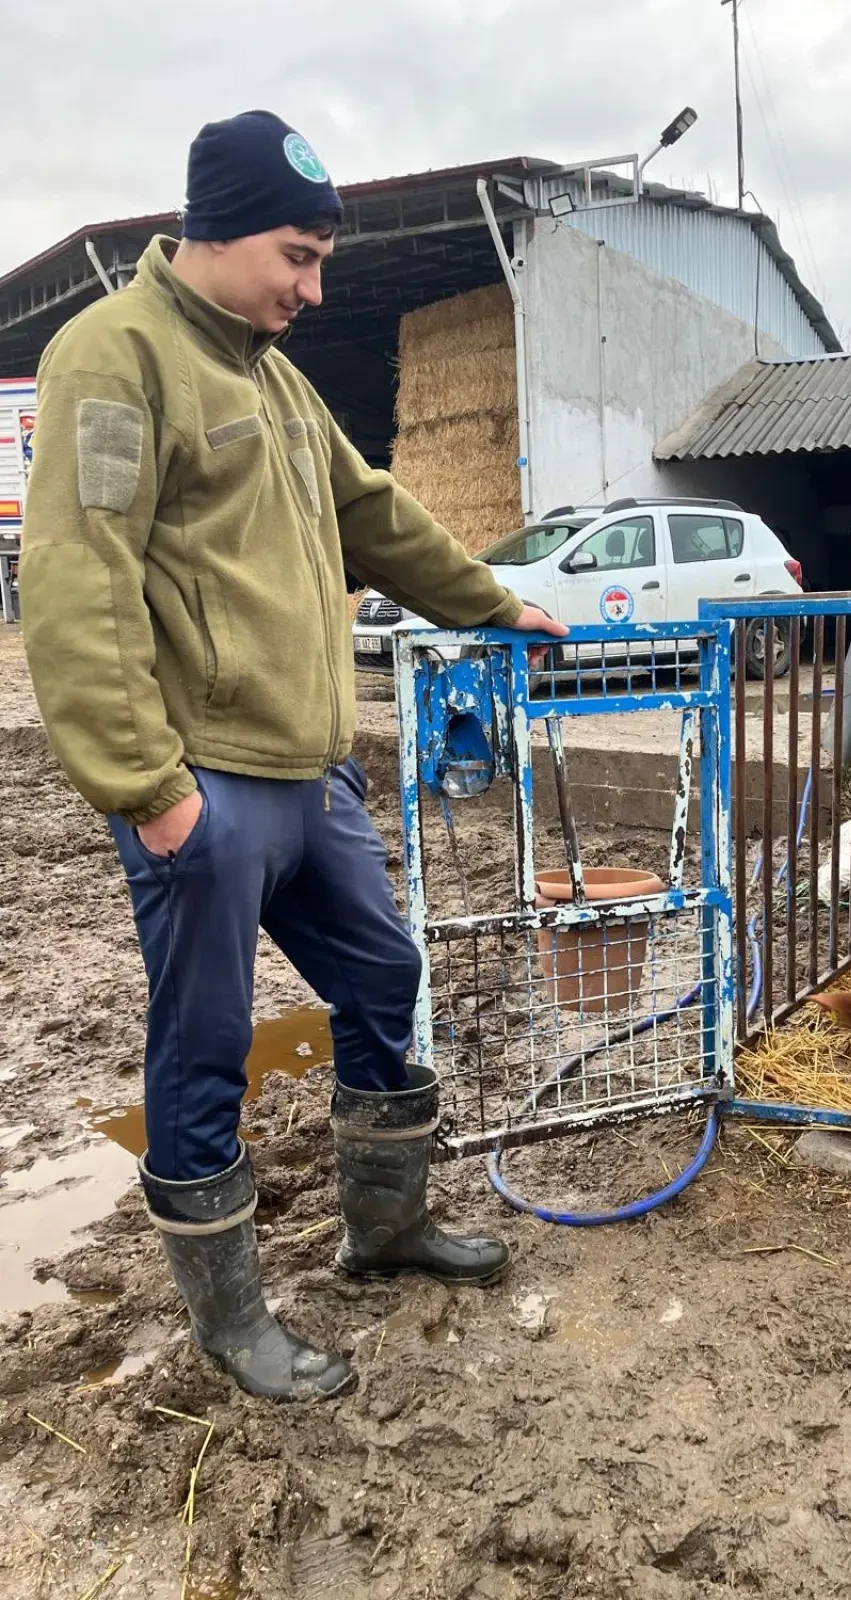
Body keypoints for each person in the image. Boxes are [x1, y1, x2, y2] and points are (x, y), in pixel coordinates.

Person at [19, 110, 568, 1402]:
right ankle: (233, 1322)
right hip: (201, 781)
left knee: (384, 975)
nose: (313, 288)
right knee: (204, 1044)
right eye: (298, 255)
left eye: (323, 259)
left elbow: (367, 508)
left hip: (308, 770)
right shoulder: (114, 357)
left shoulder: (274, 375)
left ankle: (384, 1230)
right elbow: (78, 580)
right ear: (217, 230)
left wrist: (489, 598)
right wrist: (146, 790)